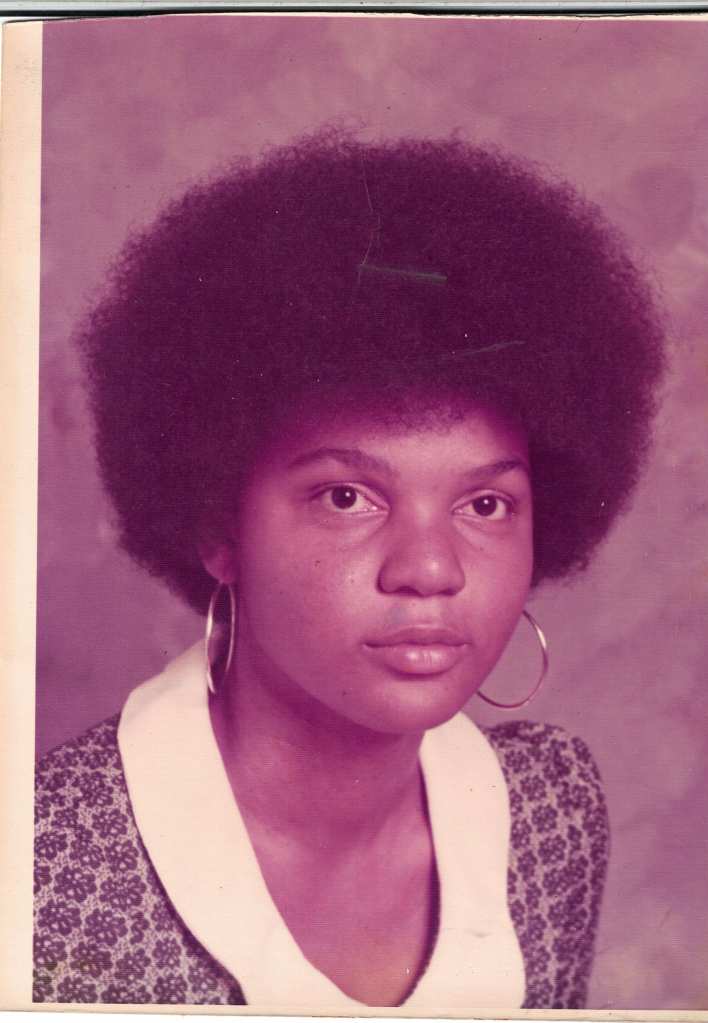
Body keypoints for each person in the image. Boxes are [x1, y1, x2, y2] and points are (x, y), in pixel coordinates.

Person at [33, 131, 665, 1010]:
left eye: (485, 504)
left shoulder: (547, 810)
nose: (430, 569)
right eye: (346, 497)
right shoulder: (43, 864)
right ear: (218, 526)